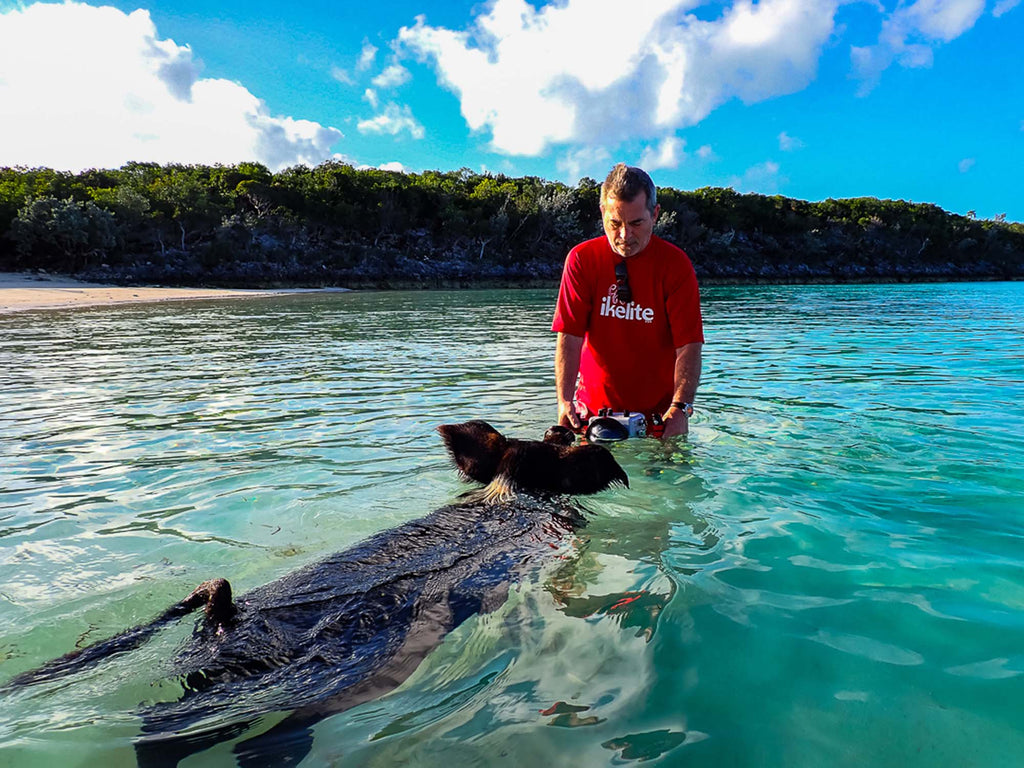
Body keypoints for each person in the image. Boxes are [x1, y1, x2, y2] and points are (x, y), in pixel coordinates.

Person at [552, 163, 703, 438]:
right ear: (602, 214)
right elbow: (569, 336)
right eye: (615, 223)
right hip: (592, 416)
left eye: (636, 223)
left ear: (655, 214)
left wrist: (680, 408)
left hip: (659, 418)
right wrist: (564, 401)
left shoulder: (675, 265)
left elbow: (689, 345)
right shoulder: (581, 260)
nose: (624, 236)